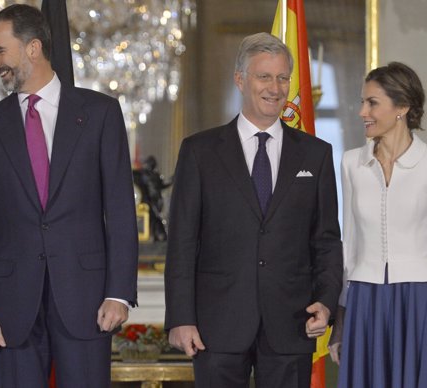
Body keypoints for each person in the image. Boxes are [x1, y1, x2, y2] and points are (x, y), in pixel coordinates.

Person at [0, 4, 138, 388]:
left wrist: (119, 293)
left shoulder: (101, 113)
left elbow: (121, 210)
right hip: (10, 309)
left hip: (88, 301)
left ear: (33, 47)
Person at [164, 32, 343, 388]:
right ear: (240, 80)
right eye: (264, 76)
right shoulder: (199, 152)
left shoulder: (316, 154)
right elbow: (182, 241)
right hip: (216, 324)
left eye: (282, 78)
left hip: (292, 323)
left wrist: (325, 302)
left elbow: (326, 240)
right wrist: (180, 318)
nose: (275, 88)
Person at [328, 62, 427, 388]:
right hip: (364, 304)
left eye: (372, 102)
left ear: (402, 107)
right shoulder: (351, 163)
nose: (361, 112)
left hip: (420, 303)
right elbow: (350, 246)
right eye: (362, 102)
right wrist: (340, 319)